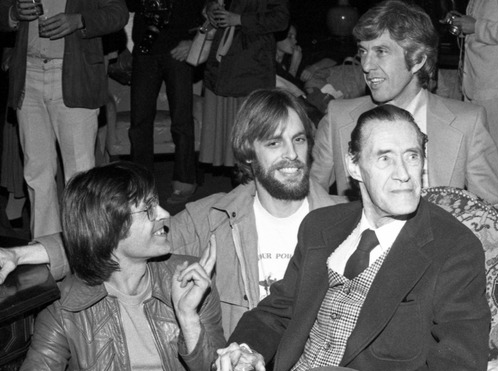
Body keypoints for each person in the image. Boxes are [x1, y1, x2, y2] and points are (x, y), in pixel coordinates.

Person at [212, 104, 492, 371]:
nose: (404, 173)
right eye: (385, 158)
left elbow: (459, 366)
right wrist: (245, 349)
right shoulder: (321, 227)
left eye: (412, 156)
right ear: (354, 166)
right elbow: (277, 312)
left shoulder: (453, 247)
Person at [0, 89, 345, 337]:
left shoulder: (346, 220)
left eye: (299, 140)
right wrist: (20, 253)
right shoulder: (215, 218)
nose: (292, 155)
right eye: (274, 143)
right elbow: (114, 234)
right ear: (249, 155)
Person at [0, 162, 224, 371]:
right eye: (149, 209)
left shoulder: (190, 283)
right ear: (109, 227)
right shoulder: (66, 310)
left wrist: (188, 319)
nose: (165, 214)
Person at [310, 0, 498, 215]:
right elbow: (310, 197)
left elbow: (497, 212)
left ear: (417, 60)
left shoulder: (466, 123)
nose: (366, 65)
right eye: (363, 51)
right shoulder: (338, 117)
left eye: (381, 51)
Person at [0, 0, 128, 237]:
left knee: (80, 175)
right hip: (29, 76)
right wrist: (12, 14)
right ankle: (46, 250)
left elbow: (119, 13)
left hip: (74, 76)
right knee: (36, 172)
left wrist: (80, 20)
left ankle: (84, 251)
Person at [441, 0, 498, 206]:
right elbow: (484, 28)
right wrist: (464, 25)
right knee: (481, 157)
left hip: (496, 86)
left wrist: (476, 26)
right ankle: (485, 215)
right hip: (477, 83)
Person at [127, 0, 205, 204]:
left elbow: (207, 9)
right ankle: (141, 184)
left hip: (178, 49)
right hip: (146, 47)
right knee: (139, 121)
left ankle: (185, 180)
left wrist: (193, 40)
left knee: (182, 120)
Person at [197, 0, 288, 170]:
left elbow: (281, 19)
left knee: (253, 135)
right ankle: (242, 185)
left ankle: (255, 185)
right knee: (232, 139)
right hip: (223, 66)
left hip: (252, 67)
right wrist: (210, 8)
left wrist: (239, 19)